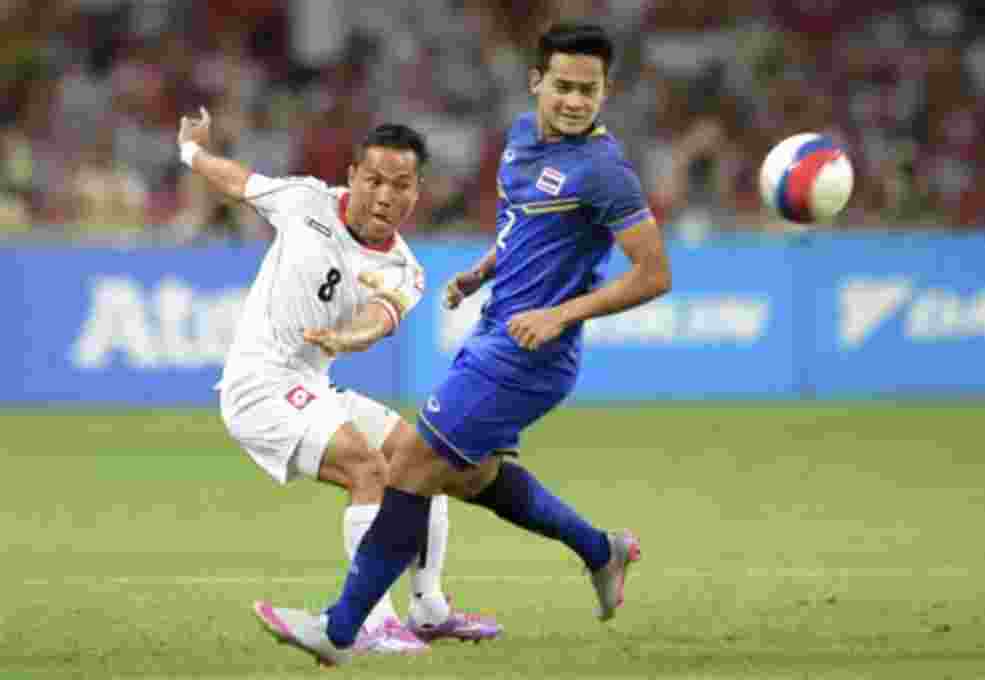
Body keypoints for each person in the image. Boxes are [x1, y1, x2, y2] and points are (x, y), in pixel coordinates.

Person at [257, 22, 673, 666]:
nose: (573, 101)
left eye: (588, 91)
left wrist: (562, 314)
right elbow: (521, 229)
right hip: (496, 331)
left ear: (605, 93)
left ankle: (338, 631)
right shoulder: (519, 140)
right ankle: (601, 550)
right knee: (473, 475)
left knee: (409, 469)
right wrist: (485, 269)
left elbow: (654, 274)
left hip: (531, 354)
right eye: (562, 86)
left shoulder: (604, 171)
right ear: (537, 82)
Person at [175, 108, 502, 656]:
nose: (384, 197)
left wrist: (350, 338)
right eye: (373, 180)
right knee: (366, 467)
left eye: (400, 185)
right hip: (259, 386)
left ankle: (428, 609)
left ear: (416, 193)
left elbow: (379, 315)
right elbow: (238, 182)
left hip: (311, 380)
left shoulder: (404, 269)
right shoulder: (306, 200)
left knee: (424, 457)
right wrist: (191, 151)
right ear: (351, 176)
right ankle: (373, 621)